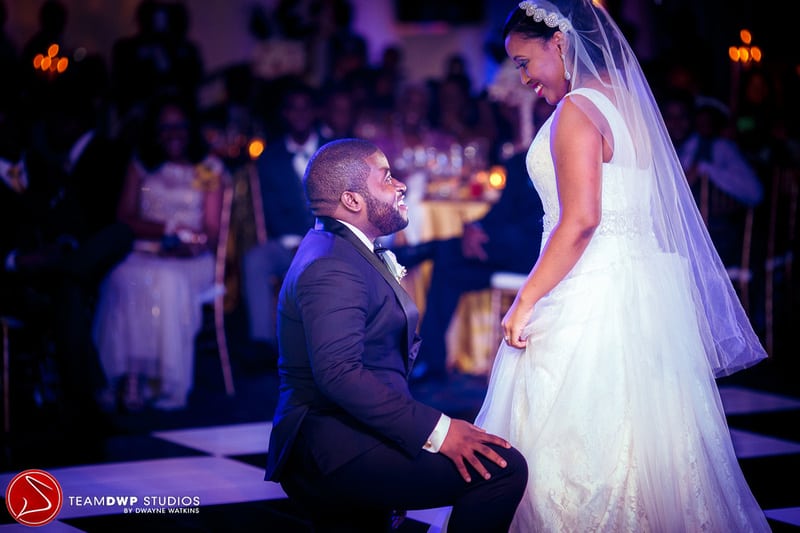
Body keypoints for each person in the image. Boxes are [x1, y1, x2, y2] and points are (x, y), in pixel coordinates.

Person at [470, 1, 771, 531]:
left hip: (589, 287)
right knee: (650, 429)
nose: (523, 79)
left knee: (581, 432)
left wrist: (526, 300)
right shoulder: (629, 105)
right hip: (644, 283)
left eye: (524, 62)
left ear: (559, 44)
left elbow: (581, 221)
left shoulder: (576, 111)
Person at [264, 138, 528, 533]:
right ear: (352, 201)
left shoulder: (343, 248)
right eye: (386, 178)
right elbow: (338, 374)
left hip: (353, 427)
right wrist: (438, 432)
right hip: (331, 448)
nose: (400, 185)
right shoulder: (331, 266)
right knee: (502, 471)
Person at [93, 94, 225, 411]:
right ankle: (129, 375)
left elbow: (211, 230)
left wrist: (185, 246)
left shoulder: (207, 168)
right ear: (154, 131)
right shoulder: (142, 166)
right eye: (165, 127)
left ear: (190, 128)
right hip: (144, 250)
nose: (173, 134)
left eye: (179, 126)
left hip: (191, 258)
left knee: (165, 281)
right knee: (122, 277)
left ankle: (163, 381)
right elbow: (124, 217)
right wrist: (165, 232)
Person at [241, 80, 328, 358]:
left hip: (331, 243)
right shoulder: (270, 157)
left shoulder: (335, 149)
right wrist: (294, 242)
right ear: (285, 114)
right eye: (294, 109)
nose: (300, 115)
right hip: (288, 243)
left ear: (315, 112)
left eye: (306, 109)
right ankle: (263, 343)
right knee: (255, 259)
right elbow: (270, 209)